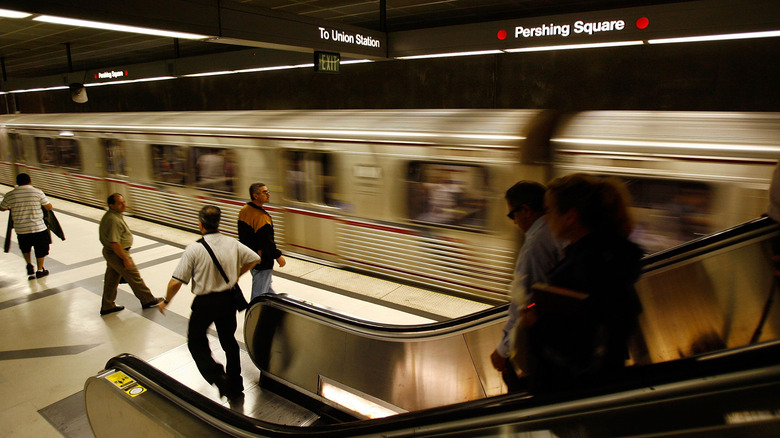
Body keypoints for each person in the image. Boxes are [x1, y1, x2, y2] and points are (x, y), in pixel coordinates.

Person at [526, 173, 643, 392]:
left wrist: (535, 323)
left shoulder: (578, 271)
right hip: (609, 381)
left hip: (575, 393)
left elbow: (571, 350)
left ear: (570, 217)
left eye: (550, 210)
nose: (546, 218)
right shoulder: (614, 257)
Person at [159, 205, 259, 401]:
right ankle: (236, 383)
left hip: (205, 303)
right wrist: (236, 275)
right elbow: (254, 258)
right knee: (229, 342)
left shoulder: (195, 248)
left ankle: (220, 379)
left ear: (200, 224)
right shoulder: (232, 243)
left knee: (196, 341)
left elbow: (176, 281)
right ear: (218, 222)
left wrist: (166, 301)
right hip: (228, 300)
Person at [490, 181, 561, 391]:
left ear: (526, 210)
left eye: (512, 215)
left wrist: (503, 350)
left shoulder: (534, 246)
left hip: (544, 344)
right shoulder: (556, 232)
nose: (514, 222)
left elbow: (526, 302)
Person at [98, 193, 163, 315]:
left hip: (112, 253)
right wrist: (125, 259)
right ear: (111, 205)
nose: (124, 205)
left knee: (111, 281)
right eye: (120, 203)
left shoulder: (113, 215)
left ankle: (107, 305)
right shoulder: (113, 220)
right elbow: (115, 243)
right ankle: (148, 300)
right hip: (118, 253)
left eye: (124, 202)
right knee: (134, 277)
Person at [0, 173, 53, 280]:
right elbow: (48, 207)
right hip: (38, 228)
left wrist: (10, 207)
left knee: (25, 248)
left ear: (17, 182)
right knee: (41, 249)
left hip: (21, 229)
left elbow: (1, 208)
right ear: (30, 181)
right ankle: (39, 270)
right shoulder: (37, 192)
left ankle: (29, 264)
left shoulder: (10, 195)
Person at [238, 183, 286, 300]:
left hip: (251, 257)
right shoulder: (261, 217)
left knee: (267, 289)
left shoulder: (245, 210)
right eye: (265, 192)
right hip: (262, 261)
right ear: (255, 196)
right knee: (258, 297)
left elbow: (244, 237)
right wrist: (278, 256)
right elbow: (266, 242)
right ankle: (253, 317)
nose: (268, 194)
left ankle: (278, 308)